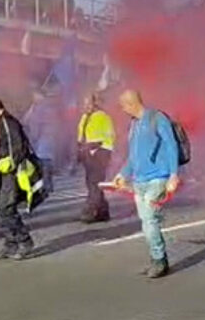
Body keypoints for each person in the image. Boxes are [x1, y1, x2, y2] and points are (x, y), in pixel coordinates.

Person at [113, 90, 180, 278]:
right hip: (139, 180)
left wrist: (173, 175)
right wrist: (122, 174)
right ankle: (157, 258)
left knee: (150, 220)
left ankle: (159, 260)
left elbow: (171, 145)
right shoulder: (134, 124)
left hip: (158, 177)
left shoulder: (157, 118)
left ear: (131, 103)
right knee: (146, 222)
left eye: (123, 105)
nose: (122, 109)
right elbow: (133, 157)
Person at [0, 98, 39, 261]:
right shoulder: (1, 124)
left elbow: (17, 148)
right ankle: (10, 243)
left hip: (11, 172)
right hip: (1, 170)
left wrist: (3, 160)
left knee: (5, 207)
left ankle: (24, 241)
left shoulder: (8, 123)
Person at [77, 93, 116, 223]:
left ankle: (90, 210)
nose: (85, 106)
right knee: (92, 182)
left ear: (96, 103)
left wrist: (96, 146)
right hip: (88, 153)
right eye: (84, 103)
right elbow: (81, 135)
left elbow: (109, 136)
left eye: (88, 103)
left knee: (94, 183)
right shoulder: (85, 117)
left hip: (100, 153)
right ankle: (103, 211)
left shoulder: (102, 116)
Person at [24, 90, 60, 192]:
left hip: (42, 140)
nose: (33, 98)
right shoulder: (50, 107)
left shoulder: (38, 109)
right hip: (50, 139)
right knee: (47, 163)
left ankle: (45, 187)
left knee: (43, 164)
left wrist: (33, 139)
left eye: (34, 96)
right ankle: (49, 185)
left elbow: (31, 123)